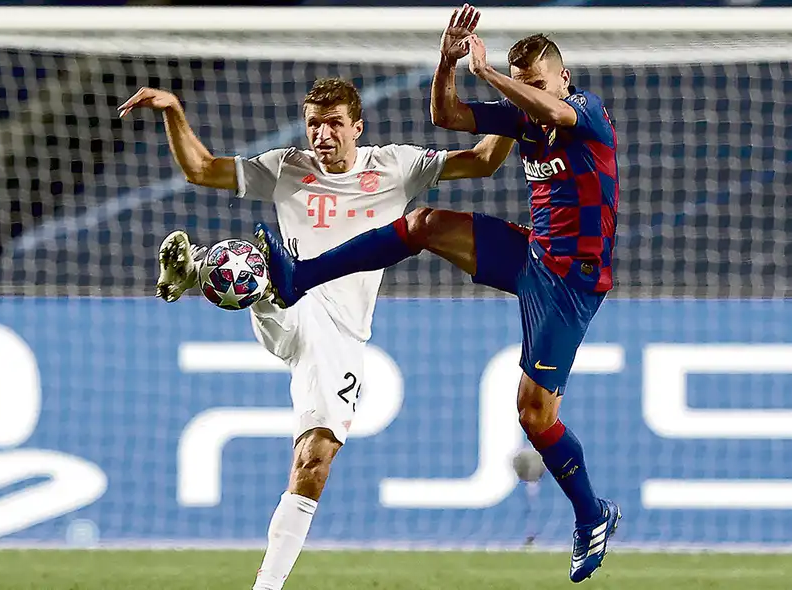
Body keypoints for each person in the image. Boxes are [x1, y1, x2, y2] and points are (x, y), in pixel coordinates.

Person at [255, 5, 621, 583]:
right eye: (522, 83)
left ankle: (591, 513)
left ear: (563, 79)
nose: (530, 94)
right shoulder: (525, 120)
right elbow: (445, 113)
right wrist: (448, 62)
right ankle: (302, 276)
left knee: (533, 413)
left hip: (571, 281)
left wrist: (495, 80)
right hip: (532, 255)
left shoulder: (586, 111)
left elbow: (548, 111)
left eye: (537, 83)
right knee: (422, 223)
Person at [118, 77, 514, 590]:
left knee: (315, 459)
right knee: (259, 270)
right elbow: (200, 169)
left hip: (340, 335)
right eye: (313, 125)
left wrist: (514, 116)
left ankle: (202, 272)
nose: (322, 136)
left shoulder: (396, 166)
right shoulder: (287, 168)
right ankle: (222, 273)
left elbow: (483, 162)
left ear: (357, 127)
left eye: (333, 124)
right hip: (294, 300)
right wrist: (172, 109)